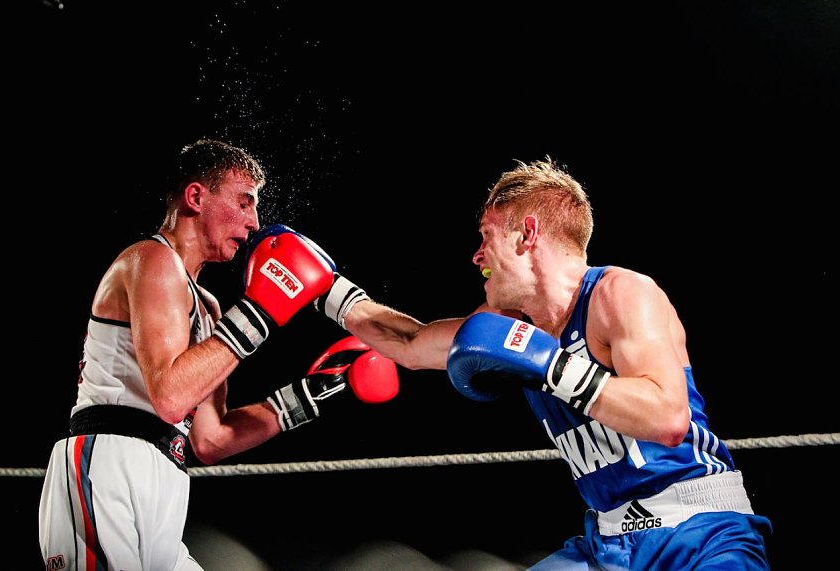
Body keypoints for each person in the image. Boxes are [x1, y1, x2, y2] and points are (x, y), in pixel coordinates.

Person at [310, 156, 773, 569]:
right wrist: (320, 288)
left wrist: (552, 365)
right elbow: (409, 343)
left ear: (528, 234)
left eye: (487, 237)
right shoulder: (509, 325)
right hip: (608, 542)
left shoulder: (621, 294)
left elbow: (668, 418)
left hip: (701, 530)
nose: (476, 256)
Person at [38, 138, 398, 571]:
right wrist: (262, 310)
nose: (255, 222)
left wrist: (314, 392)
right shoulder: (150, 260)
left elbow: (210, 439)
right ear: (196, 197)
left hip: (165, 476)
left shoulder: (208, 307)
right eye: (244, 202)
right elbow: (170, 396)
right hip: (108, 465)